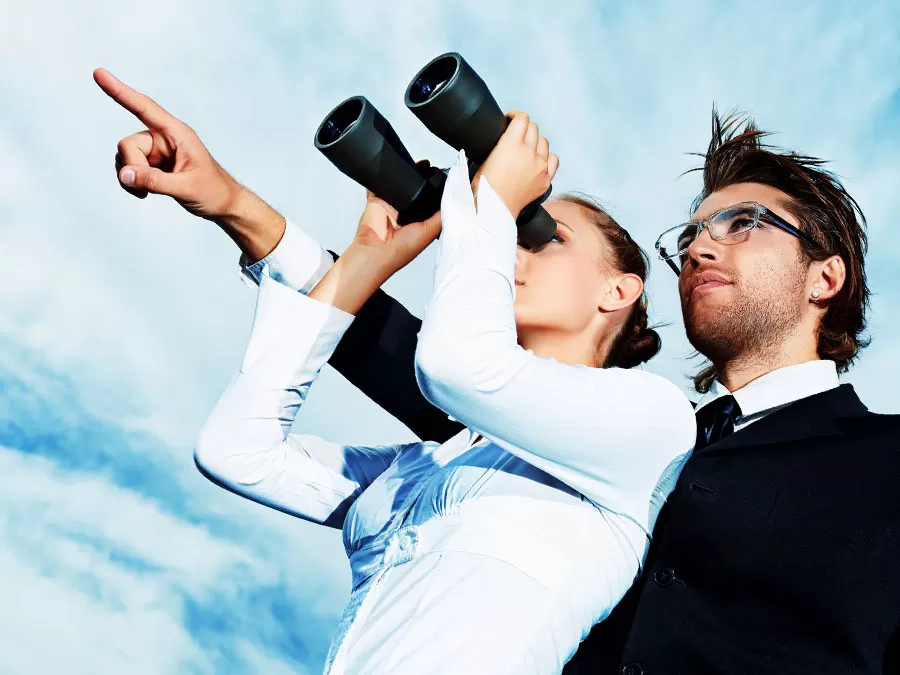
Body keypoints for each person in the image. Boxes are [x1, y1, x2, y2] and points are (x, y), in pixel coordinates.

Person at [96, 63, 900, 672]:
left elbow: (452, 367)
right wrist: (233, 201)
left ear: (826, 276)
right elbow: (393, 349)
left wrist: (485, 204)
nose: (700, 244)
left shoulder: (882, 464)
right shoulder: (565, 436)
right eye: (687, 234)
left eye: (744, 222)